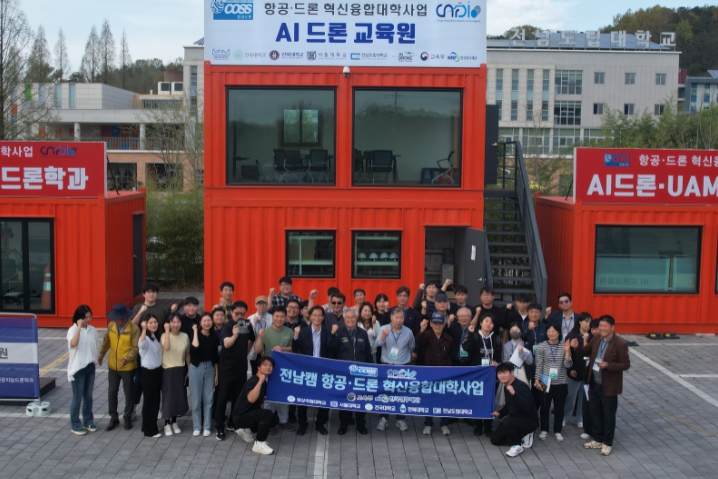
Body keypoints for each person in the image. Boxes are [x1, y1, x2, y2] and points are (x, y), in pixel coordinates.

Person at [572, 315, 630, 456]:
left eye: (605, 326)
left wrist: (608, 365)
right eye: (600, 326)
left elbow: (625, 364)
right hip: (594, 383)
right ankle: (597, 439)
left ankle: (607, 443)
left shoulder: (620, 344)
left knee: (608, 415)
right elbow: (585, 351)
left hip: (609, 386)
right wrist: (576, 347)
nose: (602, 329)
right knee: (595, 413)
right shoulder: (597, 339)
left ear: (612, 327)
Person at [130, 282, 174, 420]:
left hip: (158, 348)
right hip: (142, 349)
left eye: (153, 292)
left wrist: (172, 311)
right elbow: (132, 325)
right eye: (148, 292)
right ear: (143, 294)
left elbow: (168, 325)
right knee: (138, 380)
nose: (151, 294)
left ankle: (157, 406)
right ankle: (133, 406)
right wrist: (141, 312)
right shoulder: (138, 307)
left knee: (157, 381)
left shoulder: (162, 309)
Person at [292, 305, 338, 435]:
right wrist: (296, 336)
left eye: (319, 315)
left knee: (323, 398)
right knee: (303, 398)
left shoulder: (328, 331)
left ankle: (320, 424)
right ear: (310, 316)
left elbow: (332, 348)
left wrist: (332, 334)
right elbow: (296, 349)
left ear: (323, 317)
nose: (317, 318)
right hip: (307, 370)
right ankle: (302, 424)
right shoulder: (303, 331)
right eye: (314, 315)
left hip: (323, 371)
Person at [216, 301, 256, 440]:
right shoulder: (228, 326)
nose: (240, 315)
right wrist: (234, 335)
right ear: (232, 313)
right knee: (222, 398)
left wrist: (246, 352)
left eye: (242, 313)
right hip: (227, 369)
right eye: (237, 313)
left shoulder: (246, 324)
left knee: (238, 398)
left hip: (241, 368)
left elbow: (252, 339)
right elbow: (226, 344)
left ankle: (232, 423)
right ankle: (219, 426)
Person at [374, 306, 416, 432]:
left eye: (401, 318)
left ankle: (400, 419)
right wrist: (383, 336)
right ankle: (383, 418)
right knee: (385, 393)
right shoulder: (383, 328)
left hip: (402, 366)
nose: (399, 320)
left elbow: (412, 346)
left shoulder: (408, 332)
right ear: (391, 317)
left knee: (401, 394)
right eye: (396, 318)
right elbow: (377, 344)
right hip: (387, 365)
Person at [332, 308, 373, 434]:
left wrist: (371, 370)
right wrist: (332, 335)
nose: (350, 320)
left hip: (361, 373)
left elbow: (368, 353)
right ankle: (343, 424)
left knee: (360, 398)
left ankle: (361, 424)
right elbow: (332, 348)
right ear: (344, 319)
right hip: (345, 373)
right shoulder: (339, 332)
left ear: (356, 318)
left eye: (353, 317)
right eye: (348, 318)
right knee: (345, 399)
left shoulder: (363, 333)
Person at [99, 303, 139, 431]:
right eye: (114, 318)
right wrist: (101, 354)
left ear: (124, 318)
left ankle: (127, 417)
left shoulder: (134, 329)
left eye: (117, 319)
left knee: (129, 393)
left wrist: (127, 359)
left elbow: (135, 348)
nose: (115, 321)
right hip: (113, 366)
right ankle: (114, 417)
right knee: (112, 392)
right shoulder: (111, 326)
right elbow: (106, 341)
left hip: (128, 367)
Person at [255, 305, 295, 432]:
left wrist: (282, 349)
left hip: (285, 369)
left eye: (282, 316)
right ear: (272, 317)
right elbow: (257, 350)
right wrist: (260, 337)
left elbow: (294, 349)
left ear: (285, 318)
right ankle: (269, 422)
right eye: (277, 316)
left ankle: (283, 420)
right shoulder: (265, 332)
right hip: (268, 370)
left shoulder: (290, 332)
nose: (279, 319)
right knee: (269, 396)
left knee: (284, 395)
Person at [230, 356, 280, 455]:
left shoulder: (264, 382)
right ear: (258, 367)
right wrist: (260, 382)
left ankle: (245, 429)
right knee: (267, 415)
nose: (268, 367)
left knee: (274, 419)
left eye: (270, 366)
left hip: (249, 413)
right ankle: (259, 444)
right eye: (265, 365)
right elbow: (251, 399)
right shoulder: (254, 381)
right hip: (240, 416)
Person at [490, 362, 539, 457]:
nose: (502, 376)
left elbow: (527, 406)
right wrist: (499, 413)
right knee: (495, 440)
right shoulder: (507, 386)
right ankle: (523, 435)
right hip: (515, 419)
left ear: (512, 373)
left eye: (504, 373)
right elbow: (509, 404)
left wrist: (514, 394)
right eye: (499, 373)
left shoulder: (521, 386)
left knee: (508, 422)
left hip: (529, 420)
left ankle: (516, 445)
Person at [415, 312, 453, 435]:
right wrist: (421, 329)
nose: (437, 326)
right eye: (435, 323)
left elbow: (451, 356)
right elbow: (418, 341)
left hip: (445, 373)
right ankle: (428, 423)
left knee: (445, 399)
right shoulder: (426, 335)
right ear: (431, 324)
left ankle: (444, 424)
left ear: (444, 324)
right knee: (429, 398)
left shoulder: (449, 338)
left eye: (440, 323)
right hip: (429, 373)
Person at [534, 323, 572, 442]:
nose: (551, 333)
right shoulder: (542, 347)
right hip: (546, 381)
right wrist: (537, 380)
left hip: (561, 382)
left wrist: (567, 351)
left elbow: (568, 365)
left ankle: (558, 431)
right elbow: (539, 365)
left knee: (559, 408)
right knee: (544, 407)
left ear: (559, 333)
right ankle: (544, 429)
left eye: (554, 331)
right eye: (549, 331)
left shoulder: (564, 346)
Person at [464, 314, 502, 437]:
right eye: (486, 321)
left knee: (489, 400)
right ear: (480, 323)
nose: (488, 324)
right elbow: (466, 348)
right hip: (477, 374)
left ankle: (488, 426)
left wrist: (497, 363)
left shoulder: (496, 339)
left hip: (491, 375)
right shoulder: (475, 336)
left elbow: (499, 358)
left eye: (491, 322)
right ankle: (478, 425)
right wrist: (470, 334)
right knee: (477, 400)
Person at [67, 305, 98, 436]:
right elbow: (73, 343)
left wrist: (97, 359)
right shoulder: (72, 330)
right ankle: (75, 424)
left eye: (89, 317)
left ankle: (88, 421)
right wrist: (79, 327)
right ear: (79, 318)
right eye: (85, 318)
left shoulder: (92, 330)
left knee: (88, 396)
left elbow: (95, 345)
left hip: (90, 366)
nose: (88, 320)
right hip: (78, 368)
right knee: (77, 397)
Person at [189, 313, 219, 437]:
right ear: (200, 323)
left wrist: (216, 374)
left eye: (209, 320)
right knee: (196, 399)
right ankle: (197, 426)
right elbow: (195, 348)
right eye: (204, 321)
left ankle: (207, 426)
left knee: (209, 399)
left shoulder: (214, 336)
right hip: (196, 368)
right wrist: (195, 331)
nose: (207, 323)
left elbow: (215, 357)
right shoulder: (195, 335)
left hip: (210, 368)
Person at [160, 313, 190, 436]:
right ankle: (166, 423)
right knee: (168, 397)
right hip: (168, 369)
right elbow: (166, 347)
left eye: (178, 322)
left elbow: (187, 353)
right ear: (168, 323)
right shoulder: (164, 335)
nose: (175, 324)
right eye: (173, 322)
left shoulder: (185, 336)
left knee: (178, 396)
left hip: (180, 368)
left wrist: (189, 369)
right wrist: (167, 331)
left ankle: (174, 422)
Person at [564, 312, 592, 429]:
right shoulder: (572, 336)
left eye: (590, 322)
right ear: (580, 322)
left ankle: (579, 417)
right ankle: (565, 416)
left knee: (583, 396)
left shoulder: (592, 337)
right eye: (586, 321)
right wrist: (571, 368)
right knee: (571, 395)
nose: (588, 324)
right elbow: (568, 354)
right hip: (575, 370)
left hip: (587, 371)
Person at [138, 314, 163, 438]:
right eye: (150, 323)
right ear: (145, 324)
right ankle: (150, 430)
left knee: (154, 400)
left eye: (155, 322)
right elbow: (142, 345)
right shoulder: (145, 338)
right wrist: (143, 329)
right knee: (150, 402)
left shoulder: (154, 337)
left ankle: (147, 425)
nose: (154, 324)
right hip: (148, 372)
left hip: (157, 371)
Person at [502, 322, 534, 387]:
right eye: (512, 330)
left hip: (523, 372)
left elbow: (530, 361)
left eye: (517, 330)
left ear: (521, 332)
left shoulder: (526, 344)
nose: (514, 332)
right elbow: (504, 361)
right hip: (510, 372)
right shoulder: (506, 346)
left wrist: (522, 352)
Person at [248, 296, 271, 374]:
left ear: (267, 305)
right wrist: (254, 324)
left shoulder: (272, 318)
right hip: (254, 351)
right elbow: (250, 335)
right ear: (255, 305)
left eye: (263, 303)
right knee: (255, 373)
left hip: (267, 350)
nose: (261, 306)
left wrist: (265, 349)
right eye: (259, 304)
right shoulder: (250, 318)